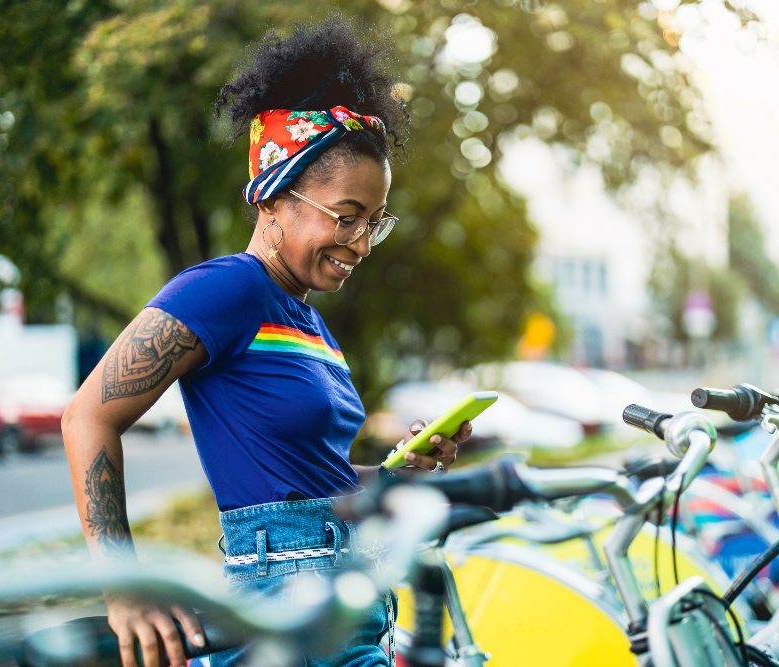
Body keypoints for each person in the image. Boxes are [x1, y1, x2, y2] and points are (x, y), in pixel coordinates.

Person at [61, 16, 473, 667]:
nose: (361, 243)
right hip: (283, 619)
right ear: (272, 196)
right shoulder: (228, 291)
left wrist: (396, 471)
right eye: (346, 216)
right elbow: (88, 414)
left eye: (374, 222)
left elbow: (311, 486)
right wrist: (124, 587)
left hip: (349, 609)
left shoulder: (308, 325)